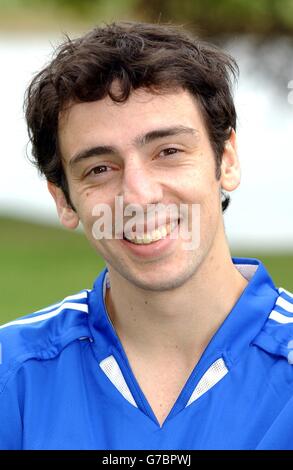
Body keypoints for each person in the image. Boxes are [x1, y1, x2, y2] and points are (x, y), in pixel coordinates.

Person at [0, 21, 293, 451]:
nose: (137, 195)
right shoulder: (12, 374)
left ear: (226, 159)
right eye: (100, 168)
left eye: (168, 151)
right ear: (64, 200)